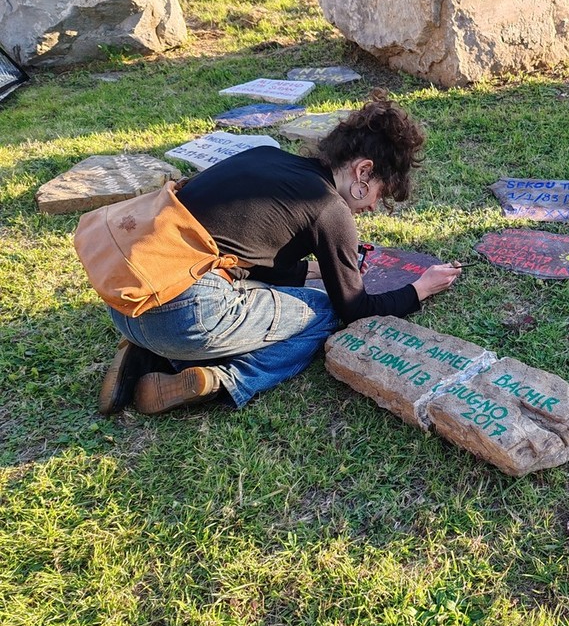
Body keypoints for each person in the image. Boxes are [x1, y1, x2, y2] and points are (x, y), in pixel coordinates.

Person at [98, 89, 463, 415]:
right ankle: (224, 379)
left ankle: (145, 353)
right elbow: (354, 310)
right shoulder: (330, 209)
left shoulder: (265, 156)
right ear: (363, 171)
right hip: (184, 318)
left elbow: (248, 258)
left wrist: (313, 271)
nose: (373, 207)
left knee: (260, 292)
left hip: (129, 300)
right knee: (325, 312)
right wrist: (420, 289)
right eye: (381, 193)